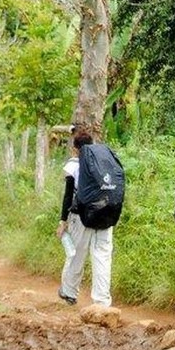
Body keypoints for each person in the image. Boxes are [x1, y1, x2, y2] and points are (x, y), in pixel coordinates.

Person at [56, 130, 114, 307]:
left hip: (81, 215)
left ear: (75, 149)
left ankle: (69, 292)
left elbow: (68, 195)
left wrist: (63, 220)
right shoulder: (104, 161)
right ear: (93, 144)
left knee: (75, 253)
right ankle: (102, 301)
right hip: (106, 213)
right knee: (102, 257)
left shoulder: (74, 164)